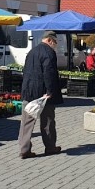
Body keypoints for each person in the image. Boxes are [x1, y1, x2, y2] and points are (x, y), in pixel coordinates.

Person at [18, 31, 62, 159]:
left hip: (28, 91)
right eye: (55, 42)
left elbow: (26, 70)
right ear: (49, 40)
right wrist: (49, 91)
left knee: (27, 121)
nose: (55, 45)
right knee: (47, 121)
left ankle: (24, 149)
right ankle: (50, 147)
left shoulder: (32, 51)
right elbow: (49, 73)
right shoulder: (49, 52)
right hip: (43, 93)